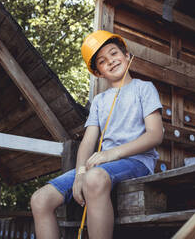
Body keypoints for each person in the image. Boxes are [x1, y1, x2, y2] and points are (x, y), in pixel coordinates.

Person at [30, 30, 163, 239]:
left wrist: (111, 154)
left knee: (94, 177)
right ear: (98, 72)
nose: (110, 61)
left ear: (127, 56)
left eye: (114, 54)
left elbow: (155, 135)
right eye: (102, 61)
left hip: (137, 162)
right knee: (40, 199)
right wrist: (80, 172)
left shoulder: (144, 88)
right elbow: (88, 141)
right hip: (101, 167)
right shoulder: (100, 101)